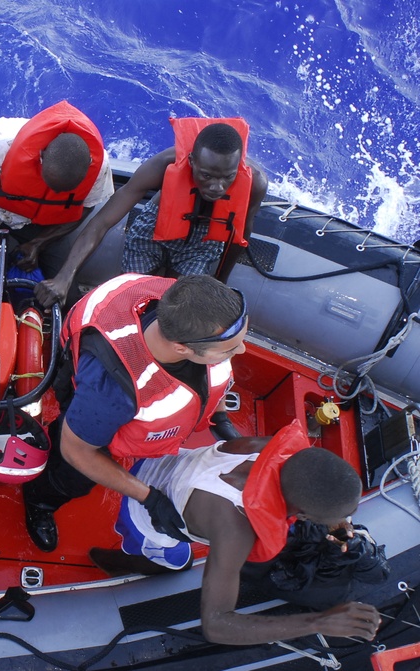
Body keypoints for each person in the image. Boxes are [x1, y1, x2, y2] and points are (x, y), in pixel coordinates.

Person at [91, 424, 382, 645]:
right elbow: (216, 625)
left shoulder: (265, 448)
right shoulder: (236, 530)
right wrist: (319, 621)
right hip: (143, 510)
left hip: (163, 463)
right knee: (177, 561)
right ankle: (109, 560)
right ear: (302, 515)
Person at [23, 273, 247, 552]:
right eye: (229, 348)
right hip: (89, 420)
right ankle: (39, 501)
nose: (242, 349)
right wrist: (150, 498)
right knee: (72, 478)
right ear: (182, 348)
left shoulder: (185, 304)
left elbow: (214, 375)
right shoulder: (112, 391)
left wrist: (221, 419)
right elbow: (77, 452)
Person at [35, 118, 270, 308]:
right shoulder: (163, 165)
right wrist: (65, 275)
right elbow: (103, 221)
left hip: (202, 243)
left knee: (174, 306)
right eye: (206, 175)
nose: (217, 187)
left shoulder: (255, 184)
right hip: (154, 229)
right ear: (191, 162)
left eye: (227, 177)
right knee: (130, 297)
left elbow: (240, 235)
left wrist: (221, 282)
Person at [0, 101, 114, 277]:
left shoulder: (100, 166)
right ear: (41, 157)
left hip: (41, 223)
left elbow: (87, 206)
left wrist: (39, 243)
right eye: (50, 184)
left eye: (63, 191)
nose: (56, 194)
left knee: (67, 295)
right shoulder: (0, 142)